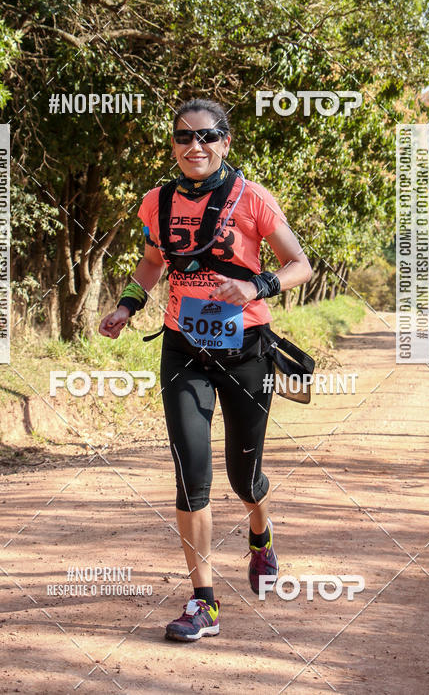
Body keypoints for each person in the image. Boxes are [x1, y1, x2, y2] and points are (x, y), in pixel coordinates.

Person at [99, 98, 312, 642]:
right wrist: (126, 306)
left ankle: (261, 534)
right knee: (191, 473)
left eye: (207, 136)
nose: (195, 146)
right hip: (184, 349)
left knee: (245, 477)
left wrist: (255, 286)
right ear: (173, 144)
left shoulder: (253, 198)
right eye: (184, 137)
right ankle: (204, 601)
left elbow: (300, 264)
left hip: (246, 352)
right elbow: (152, 263)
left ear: (225, 142)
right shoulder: (158, 201)